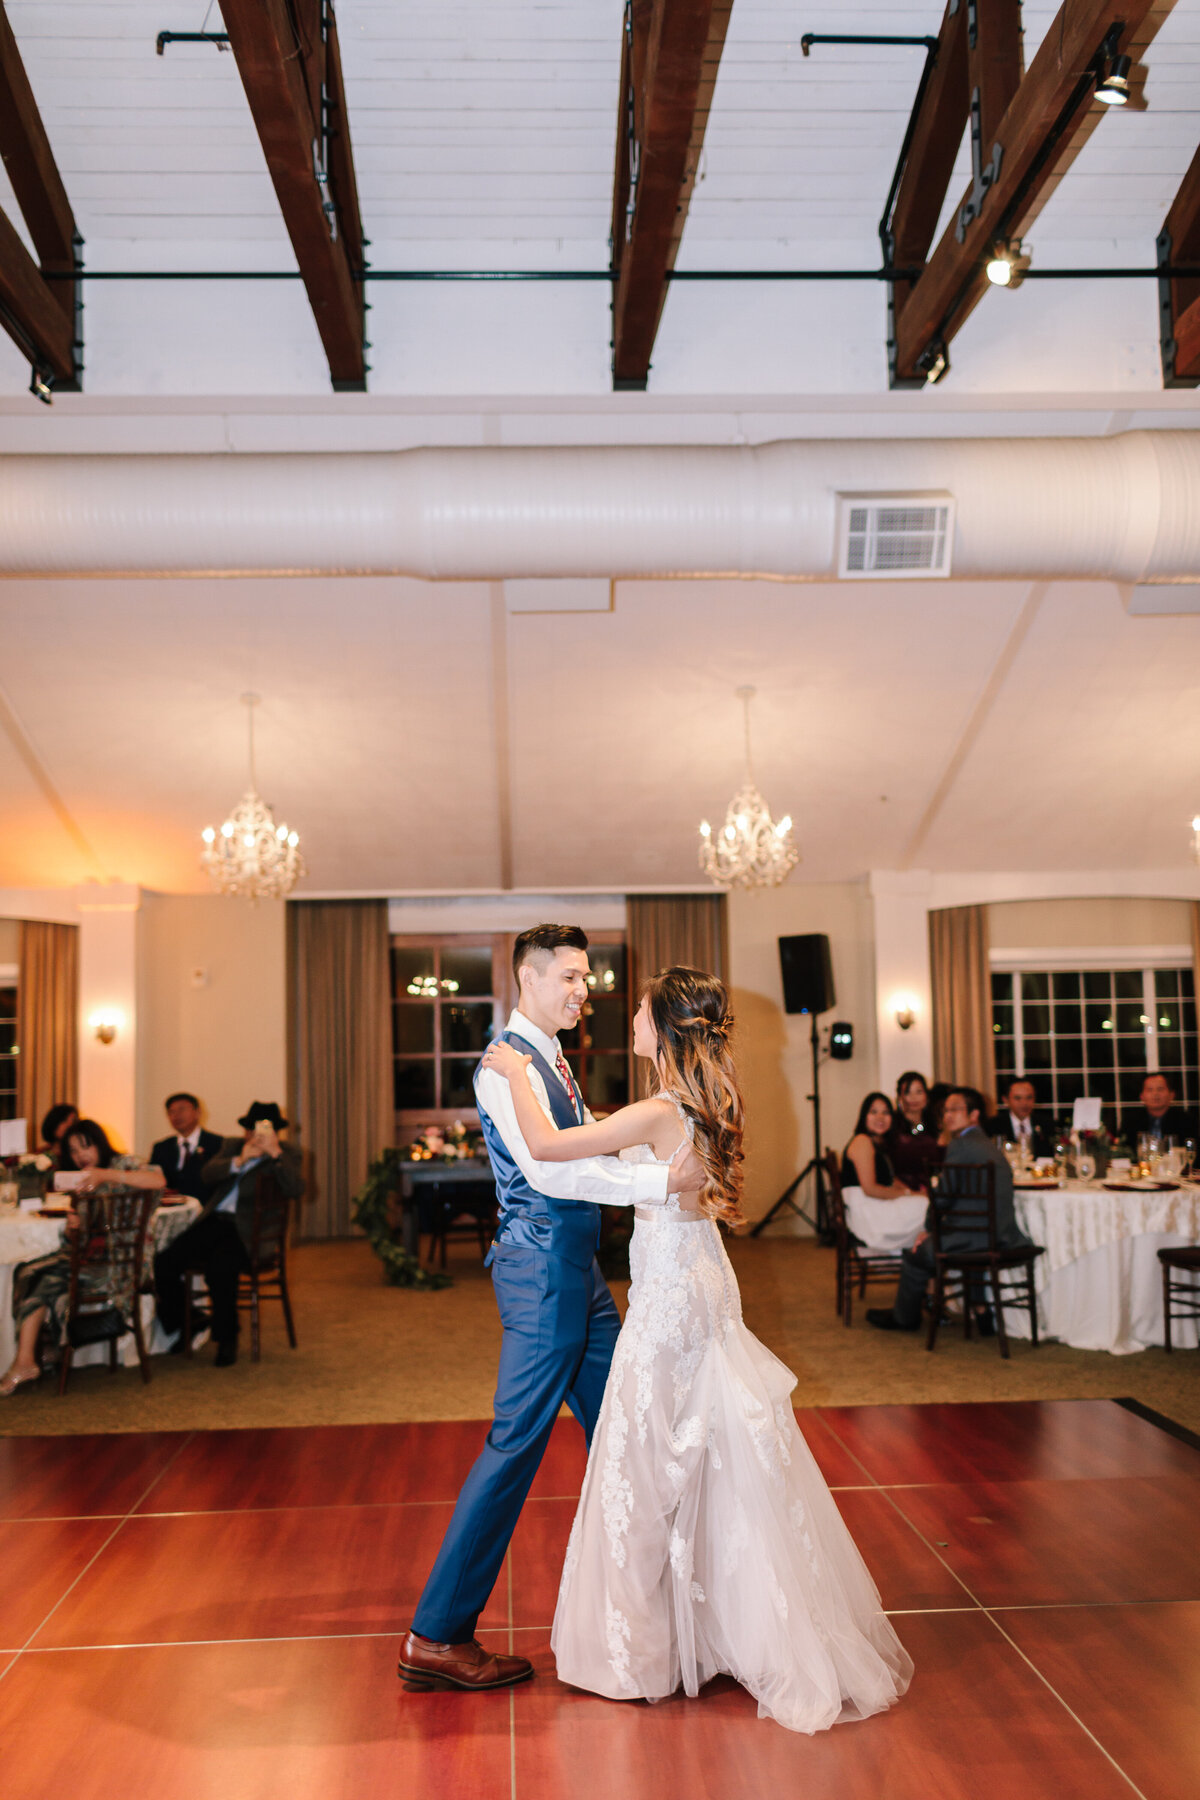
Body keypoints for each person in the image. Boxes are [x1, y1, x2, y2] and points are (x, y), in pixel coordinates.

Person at [475, 966, 913, 1734]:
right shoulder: (704, 1098)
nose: (631, 1021)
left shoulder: (655, 1109)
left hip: (672, 1295)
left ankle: (646, 1650)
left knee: (646, 1460)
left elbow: (545, 1149)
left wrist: (512, 1071)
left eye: (640, 1013)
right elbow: (630, 1160)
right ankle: (717, 1628)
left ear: (665, 1027)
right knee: (711, 1450)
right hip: (704, 1275)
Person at [399, 924, 705, 1696]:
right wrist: (660, 1184)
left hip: (577, 1274)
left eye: (587, 978)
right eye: (568, 976)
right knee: (515, 1447)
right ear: (527, 979)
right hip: (541, 1278)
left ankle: (678, 1605)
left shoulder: (553, 1059)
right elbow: (553, 1175)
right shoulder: (507, 1068)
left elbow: (587, 1150)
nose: (582, 990)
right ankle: (436, 1634)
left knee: (628, 1430)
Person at [2, 1118, 164, 1396]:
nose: (81, 1156)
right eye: (74, 1152)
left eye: (85, 1147)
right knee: (27, 1271)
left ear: (99, 1144)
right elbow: (85, 1237)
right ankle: (30, 1358)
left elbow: (157, 1179)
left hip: (120, 1263)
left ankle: (31, 1359)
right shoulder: (83, 1182)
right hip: (89, 1258)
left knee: (43, 1277)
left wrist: (106, 1175)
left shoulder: (123, 1164)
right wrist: (73, 1228)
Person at [866, 1086, 1032, 1337]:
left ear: (974, 1114)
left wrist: (928, 1230)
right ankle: (980, 1309)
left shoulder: (961, 1145)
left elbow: (942, 1197)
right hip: (1001, 1235)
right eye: (946, 1111)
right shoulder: (987, 1144)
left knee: (916, 1252)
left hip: (978, 1238)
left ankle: (904, 1318)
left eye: (955, 1110)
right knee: (961, 1241)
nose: (947, 1116)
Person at [153, 1100, 303, 1368]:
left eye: (262, 1130)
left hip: (250, 1233)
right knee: (163, 1262)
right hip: (214, 1222)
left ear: (275, 1132)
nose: (255, 1135)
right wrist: (239, 1160)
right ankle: (193, 1321)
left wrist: (275, 1154)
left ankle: (226, 1339)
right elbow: (207, 1175)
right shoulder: (233, 1146)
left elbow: (297, 1188)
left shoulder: (288, 1153)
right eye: (251, 1129)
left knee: (220, 1268)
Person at [839, 1093, 927, 1257]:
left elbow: (890, 1180)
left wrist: (916, 1194)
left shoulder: (878, 1143)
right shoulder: (862, 1141)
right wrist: (908, 1194)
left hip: (876, 1206)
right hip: (869, 1213)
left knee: (927, 1203)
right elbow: (870, 1189)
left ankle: (923, 1256)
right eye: (874, 1112)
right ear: (864, 1116)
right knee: (929, 1208)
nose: (880, 1117)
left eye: (886, 1112)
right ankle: (927, 1259)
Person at [149, 1092, 224, 1200]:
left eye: (182, 1109)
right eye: (171, 1112)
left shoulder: (218, 1144)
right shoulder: (161, 1148)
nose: (176, 1115)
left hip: (207, 1211)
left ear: (198, 1112)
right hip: (171, 1209)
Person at [890, 1071, 941, 1190]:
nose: (914, 1098)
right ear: (900, 1097)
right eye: (908, 1092)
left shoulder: (934, 1124)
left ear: (926, 1095)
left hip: (930, 1189)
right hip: (900, 1189)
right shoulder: (893, 1125)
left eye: (919, 1092)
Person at [986, 1076, 1054, 1159]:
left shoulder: (1047, 1124)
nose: (1024, 1103)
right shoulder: (993, 1125)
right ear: (1006, 1100)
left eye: (1029, 1098)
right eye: (1018, 1098)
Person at [1124, 1072, 1198, 1148]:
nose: (1155, 1094)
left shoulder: (1187, 1121)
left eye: (1160, 1089)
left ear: (1172, 1095)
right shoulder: (1130, 1122)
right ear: (1142, 1096)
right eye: (1150, 1090)